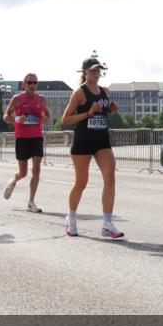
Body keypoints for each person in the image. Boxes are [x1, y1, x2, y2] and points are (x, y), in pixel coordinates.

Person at [61, 57, 124, 239]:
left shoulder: (105, 91)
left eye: (98, 70)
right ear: (85, 72)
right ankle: (71, 218)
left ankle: (107, 224)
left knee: (110, 177)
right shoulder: (79, 93)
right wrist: (87, 113)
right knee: (81, 183)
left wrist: (111, 108)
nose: (96, 73)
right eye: (93, 70)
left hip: (102, 140)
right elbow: (65, 119)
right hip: (83, 141)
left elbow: (102, 112)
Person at [3, 73, 50, 212]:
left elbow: (47, 115)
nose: (32, 85)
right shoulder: (17, 99)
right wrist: (17, 119)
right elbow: (5, 116)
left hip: (37, 137)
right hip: (22, 138)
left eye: (34, 82)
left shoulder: (41, 99)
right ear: (24, 84)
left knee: (36, 169)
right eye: (29, 82)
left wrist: (45, 118)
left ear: (37, 84)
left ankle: (31, 201)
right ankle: (13, 181)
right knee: (23, 173)